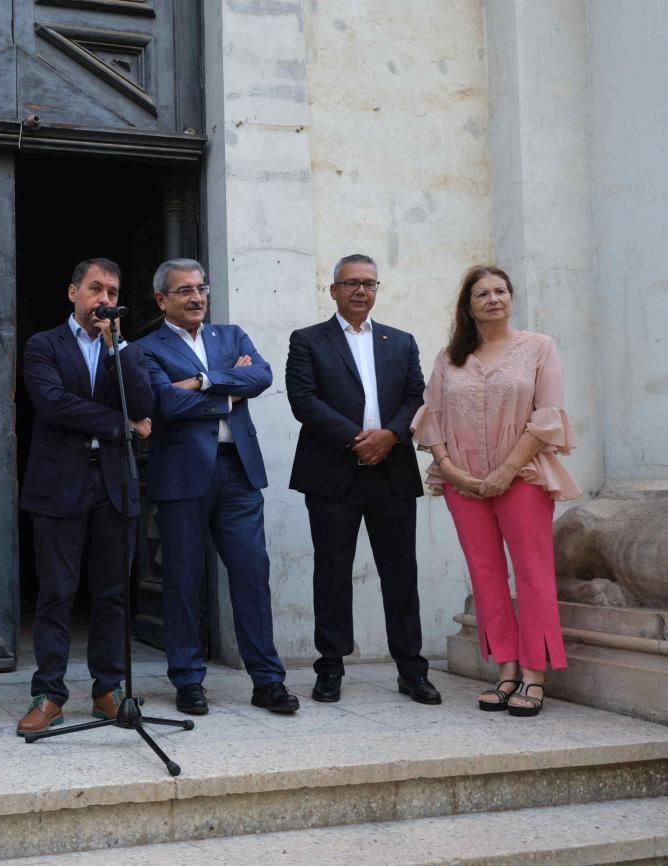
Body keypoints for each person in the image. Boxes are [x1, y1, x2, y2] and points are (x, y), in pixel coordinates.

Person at [412, 265, 579, 717]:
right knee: (485, 574)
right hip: (462, 482)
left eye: (500, 290)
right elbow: (433, 418)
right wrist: (450, 470)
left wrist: (506, 470)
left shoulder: (539, 348)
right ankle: (505, 671)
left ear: (511, 298)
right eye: (482, 293)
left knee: (532, 572)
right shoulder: (450, 357)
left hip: (522, 476)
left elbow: (548, 414)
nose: (493, 298)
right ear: (468, 306)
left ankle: (534, 675)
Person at [135, 258, 299, 716]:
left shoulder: (231, 337)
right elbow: (165, 401)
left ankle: (267, 680)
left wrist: (204, 382)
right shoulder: (146, 348)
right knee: (183, 579)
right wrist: (230, 388)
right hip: (183, 475)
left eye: (200, 288)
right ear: (161, 299)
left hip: (237, 473)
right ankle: (188, 680)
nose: (196, 297)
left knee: (252, 575)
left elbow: (262, 376)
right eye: (184, 290)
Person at [285, 254, 440, 705]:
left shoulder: (400, 341)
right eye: (351, 283)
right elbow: (303, 399)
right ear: (333, 290)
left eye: (369, 283)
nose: (360, 291)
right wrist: (357, 440)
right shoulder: (308, 340)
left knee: (401, 574)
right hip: (333, 473)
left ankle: (412, 669)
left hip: (391, 472)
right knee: (331, 573)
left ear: (377, 290)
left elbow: (417, 395)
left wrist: (390, 436)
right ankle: (330, 668)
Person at [17, 258, 155, 735]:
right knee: (55, 593)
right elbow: (53, 403)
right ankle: (49, 693)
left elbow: (144, 403)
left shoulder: (125, 350)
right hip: (59, 483)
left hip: (115, 484)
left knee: (114, 595)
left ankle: (107, 690)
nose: (105, 299)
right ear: (72, 292)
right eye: (95, 288)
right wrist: (121, 427)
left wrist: (119, 350)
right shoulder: (43, 345)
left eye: (113, 292)